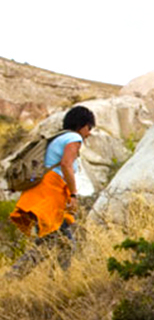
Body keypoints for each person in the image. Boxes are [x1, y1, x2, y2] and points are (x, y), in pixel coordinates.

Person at [8, 106, 96, 275]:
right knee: (60, 244)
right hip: (50, 195)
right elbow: (66, 165)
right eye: (89, 128)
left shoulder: (59, 138)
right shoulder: (73, 137)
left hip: (42, 194)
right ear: (81, 125)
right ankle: (13, 277)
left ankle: (55, 281)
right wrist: (73, 194)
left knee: (57, 243)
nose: (89, 133)